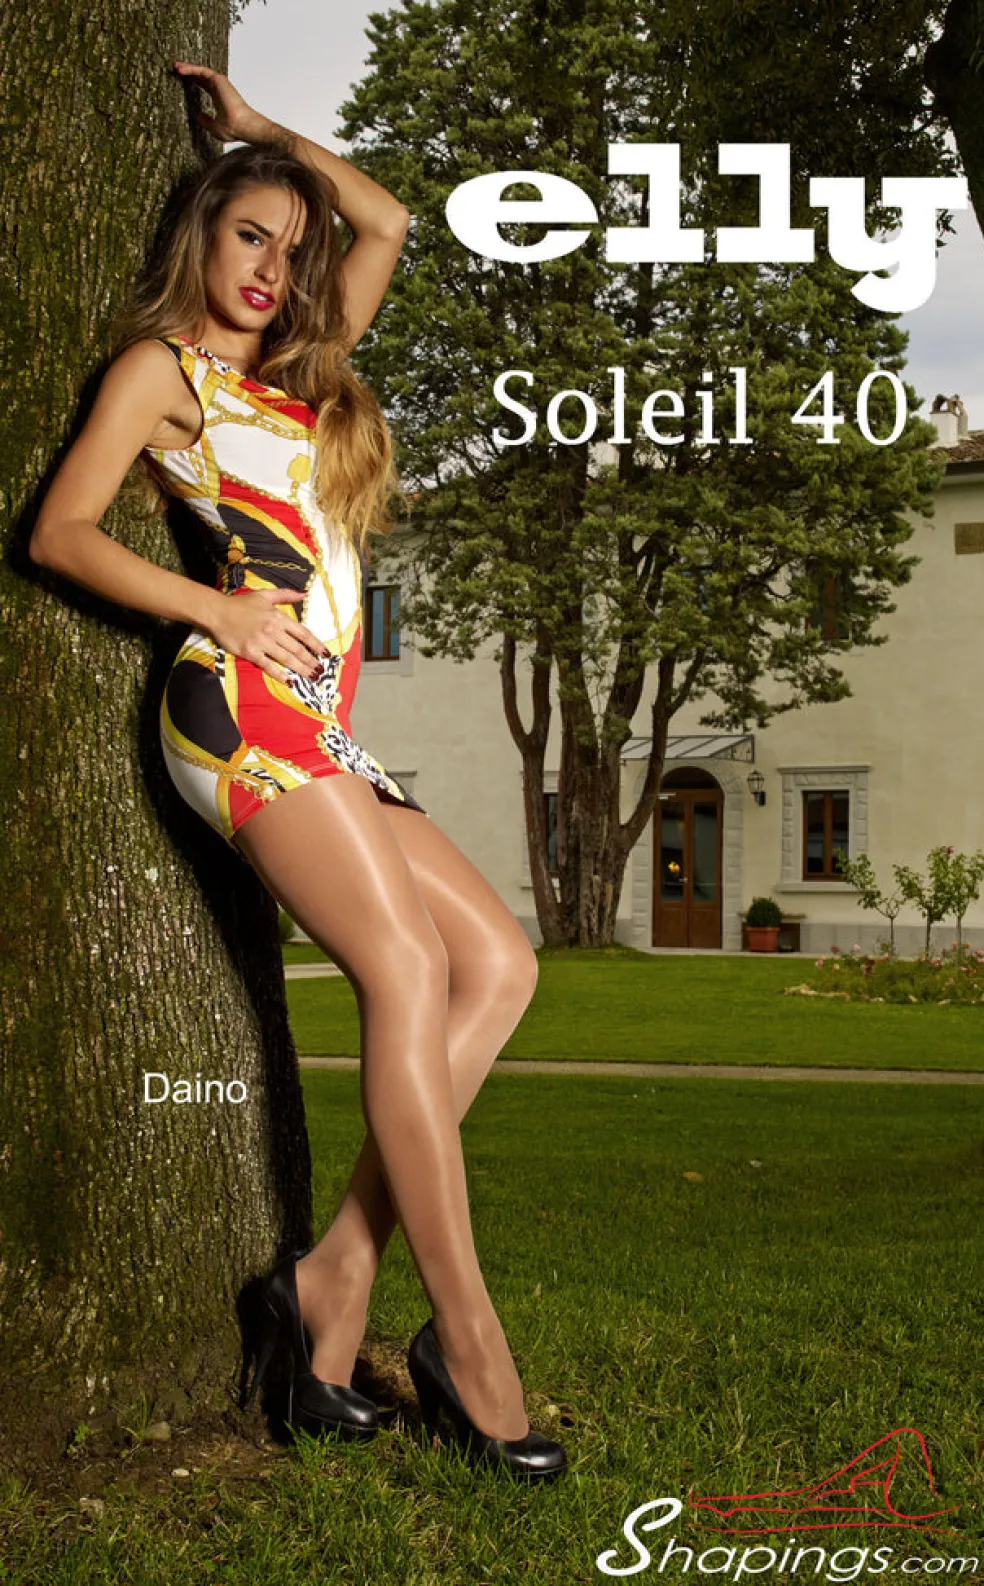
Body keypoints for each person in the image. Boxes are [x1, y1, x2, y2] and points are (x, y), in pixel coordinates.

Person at [29, 61, 565, 1482]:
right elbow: (60, 533)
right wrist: (213, 607)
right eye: (247, 234)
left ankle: (330, 1282)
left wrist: (262, 135)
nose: (270, 266)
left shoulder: (299, 379)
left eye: (286, 245)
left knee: (499, 966)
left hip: (326, 726)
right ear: (199, 239)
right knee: (409, 971)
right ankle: (469, 1343)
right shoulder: (167, 375)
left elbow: (385, 222)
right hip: (238, 710)